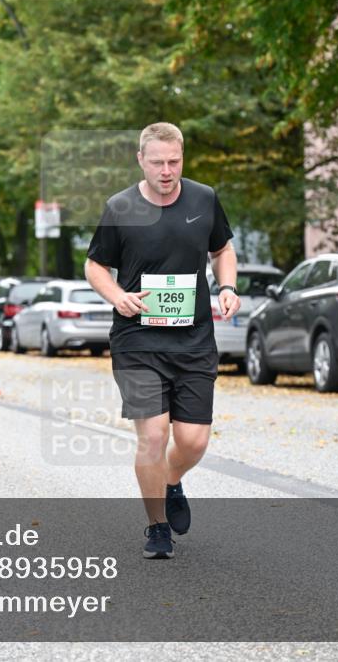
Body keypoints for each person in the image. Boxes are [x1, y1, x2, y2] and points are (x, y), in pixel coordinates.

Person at [84, 123, 240, 560]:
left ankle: (171, 481)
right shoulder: (120, 206)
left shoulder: (204, 198)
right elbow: (94, 266)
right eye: (158, 162)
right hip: (137, 340)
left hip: (193, 340)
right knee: (153, 435)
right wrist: (119, 297)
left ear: (182, 159)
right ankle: (156, 527)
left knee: (191, 441)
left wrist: (227, 288)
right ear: (141, 160)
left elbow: (222, 249)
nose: (167, 171)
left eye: (174, 162)